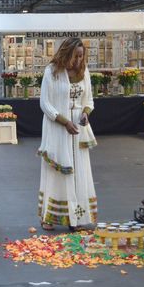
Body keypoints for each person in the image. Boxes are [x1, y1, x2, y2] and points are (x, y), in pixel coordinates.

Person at [38, 37, 97, 231]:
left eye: (81, 56)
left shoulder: (84, 71)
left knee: (78, 172)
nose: (79, 60)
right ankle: (49, 216)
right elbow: (44, 103)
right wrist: (64, 122)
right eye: (76, 56)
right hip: (57, 128)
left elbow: (89, 100)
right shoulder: (51, 71)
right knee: (57, 171)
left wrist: (86, 114)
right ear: (67, 53)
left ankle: (77, 218)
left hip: (78, 131)